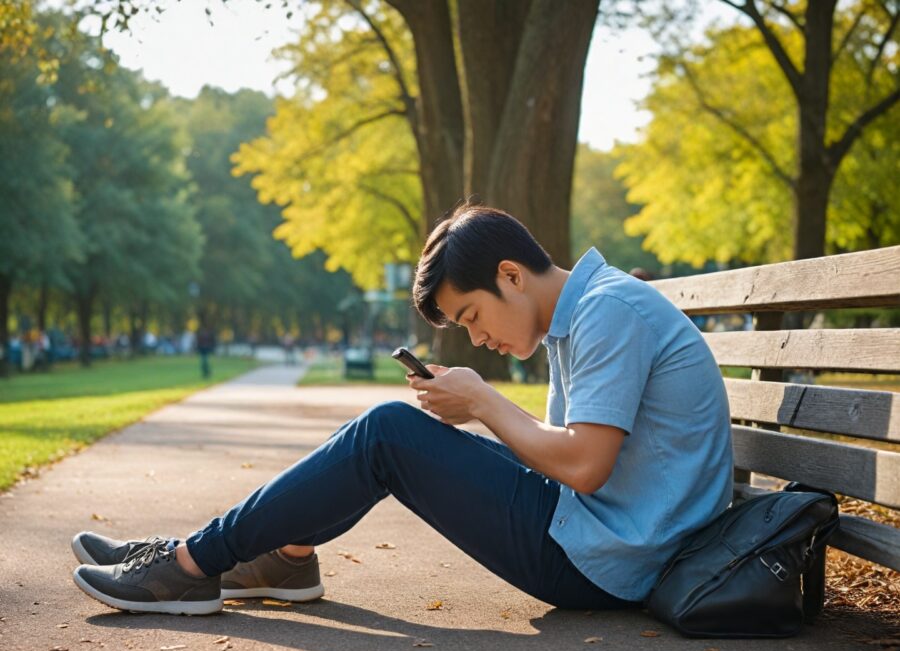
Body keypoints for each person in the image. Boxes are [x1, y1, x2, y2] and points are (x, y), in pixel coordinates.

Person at [70, 205, 733, 615]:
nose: (477, 337)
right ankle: (281, 554)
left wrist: (481, 401)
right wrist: (477, 415)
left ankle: (190, 565)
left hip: (614, 560)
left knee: (388, 433)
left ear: (510, 274)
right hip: (607, 538)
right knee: (388, 436)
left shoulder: (607, 310)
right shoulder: (590, 311)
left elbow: (585, 467)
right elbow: (580, 464)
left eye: (472, 316)